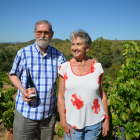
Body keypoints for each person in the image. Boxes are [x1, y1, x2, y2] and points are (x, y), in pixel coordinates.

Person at [9, 20, 66, 140]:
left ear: (52, 34)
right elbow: (13, 74)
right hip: (25, 112)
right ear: (35, 33)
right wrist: (22, 90)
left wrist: (88, 60)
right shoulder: (23, 53)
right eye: (39, 32)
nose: (42, 36)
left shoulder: (59, 56)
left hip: (48, 115)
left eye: (46, 32)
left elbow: (70, 74)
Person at [58, 29, 109, 140]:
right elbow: (60, 97)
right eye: (73, 44)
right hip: (72, 123)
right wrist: (63, 121)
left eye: (79, 44)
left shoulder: (97, 67)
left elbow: (102, 95)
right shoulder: (64, 68)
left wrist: (107, 119)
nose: (75, 48)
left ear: (87, 48)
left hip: (95, 122)